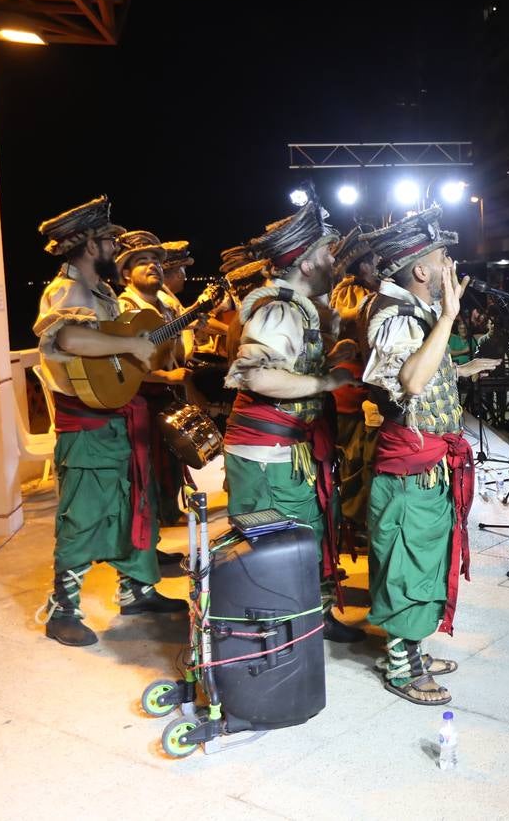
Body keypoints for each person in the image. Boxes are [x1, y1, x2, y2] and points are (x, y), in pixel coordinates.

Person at [32, 197, 184, 647]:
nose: (113, 246)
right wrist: (128, 350)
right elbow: (69, 336)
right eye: (106, 240)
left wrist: (149, 346)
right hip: (87, 430)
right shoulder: (66, 290)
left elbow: (124, 346)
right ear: (86, 244)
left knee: (132, 504)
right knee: (85, 516)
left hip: (117, 419)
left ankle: (136, 590)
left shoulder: (100, 293)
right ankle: (62, 610)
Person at [363, 210, 500, 706]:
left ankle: (411, 650)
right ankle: (400, 666)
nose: (451, 265)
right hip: (409, 470)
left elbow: (425, 376)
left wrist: (460, 371)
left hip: (429, 464)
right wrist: (448, 318)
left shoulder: (415, 316)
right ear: (421, 271)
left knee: (422, 559)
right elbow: (411, 382)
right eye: (444, 258)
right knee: (406, 560)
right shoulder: (398, 317)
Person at [221, 201, 363, 643]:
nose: (333, 263)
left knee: (308, 529)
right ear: (305, 261)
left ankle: (313, 617)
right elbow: (255, 374)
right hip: (270, 455)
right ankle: (272, 627)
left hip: (292, 450)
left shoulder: (304, 308)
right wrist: (325, 382)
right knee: (277, 539)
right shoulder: (278, 310)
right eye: (327, 254)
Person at [115, 231, 191, 543]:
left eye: (156, 262)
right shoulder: (124, 309)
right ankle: (145, 546)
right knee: (144, 474)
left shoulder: (165, 305)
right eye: (142, 262)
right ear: (125, 274)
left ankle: (157, 534)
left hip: (165, 398)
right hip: (140, 401)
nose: (152, 266)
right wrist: (164, 378)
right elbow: (122, 367)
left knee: (167, 466)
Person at [328, 225, 384, 555]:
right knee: (353, 461)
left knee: (363, 461)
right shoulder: (350, 292)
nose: (380, 263)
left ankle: (356, 521)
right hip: (350, 391)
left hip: (362, 388)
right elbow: (342, 320)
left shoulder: (367, 289)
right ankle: (351, 522)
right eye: (375, 259)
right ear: (363, 265)